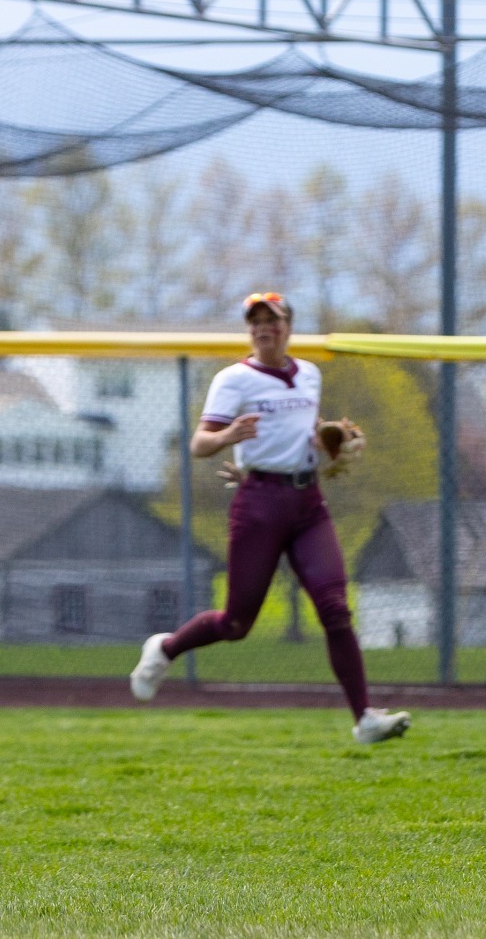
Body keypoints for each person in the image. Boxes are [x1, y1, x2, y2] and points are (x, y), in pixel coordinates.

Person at [129, 292, 411, 745]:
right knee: (237, 624)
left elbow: (307, 430)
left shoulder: (309, 374)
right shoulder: (234, 379)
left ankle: (365, 718)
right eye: (255, 322)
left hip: (307, 503)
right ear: (249, 330)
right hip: (259, 503)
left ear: (288, 326)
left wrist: (325, 442)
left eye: (272, 320)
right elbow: (199, 444)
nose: (264, 328)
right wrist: (228, 435)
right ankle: (165, 648)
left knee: (336, 610)